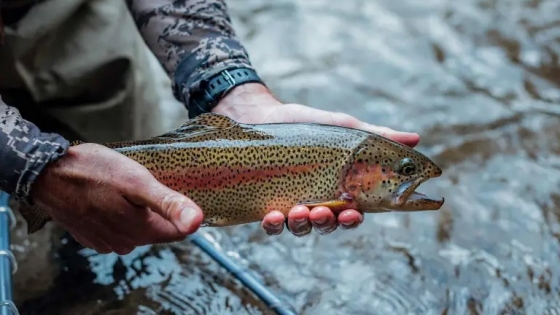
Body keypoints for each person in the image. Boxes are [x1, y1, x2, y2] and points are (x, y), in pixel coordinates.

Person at [0, 0, 420, 255]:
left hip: (59, 17)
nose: (409, 178)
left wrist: (228, 87)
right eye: (403, 171)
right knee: (31, 268)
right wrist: (36, 168)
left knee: (125, 208)